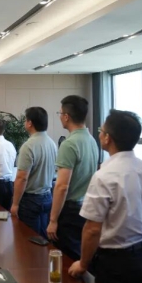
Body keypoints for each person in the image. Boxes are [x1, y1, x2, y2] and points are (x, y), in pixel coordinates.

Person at [68, 110, 142, 283]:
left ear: (107, 138)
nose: (99, 134)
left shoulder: (105, 176)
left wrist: (83, 264)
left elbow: (92, 229)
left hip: (115, 263)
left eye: (101, 130)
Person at [47, 95, 99, 260]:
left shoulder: (69, 144)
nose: (60, 117)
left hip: (70, 210)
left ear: (66, 116)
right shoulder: (91, 140)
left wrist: (53, 220)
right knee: (79, 255)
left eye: (60, 113)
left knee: (67, 259)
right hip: (85, 206)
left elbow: (62, 186)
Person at [10, 107, 57, 237]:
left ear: (30, 123)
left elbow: (22, 178)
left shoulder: (28, 146)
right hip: (47, 197)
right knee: (42, 239)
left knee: (28, 239)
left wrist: (15, 204)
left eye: (26, 120)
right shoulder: (52, 144)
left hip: (30, 200)